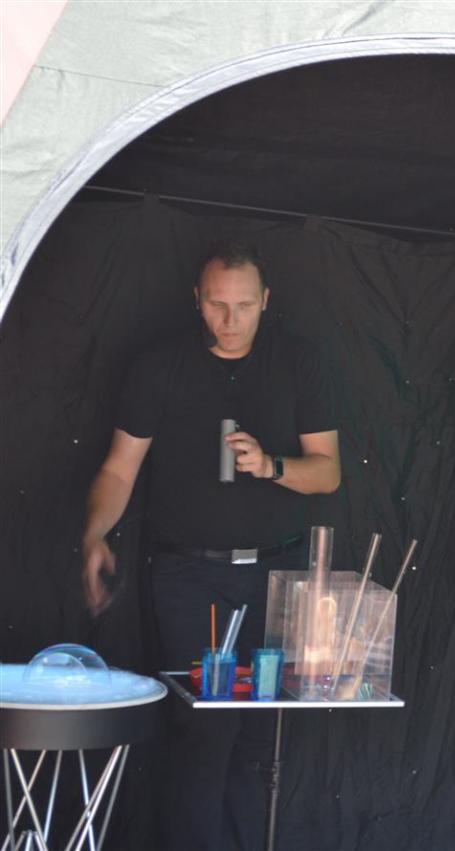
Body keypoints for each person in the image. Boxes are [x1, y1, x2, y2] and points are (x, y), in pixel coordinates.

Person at [80, 240, 340, 851]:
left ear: (266, 301)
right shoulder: (160, 365)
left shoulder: (298, 361)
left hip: (276, 575)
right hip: (188, 576)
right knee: (203, 728)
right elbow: (119, 469)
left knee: (258, 732)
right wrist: (94, 534)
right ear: (197, 300)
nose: (230, 320)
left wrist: (271, 465)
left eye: (243, 306)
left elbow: (327, 472)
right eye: (218, 305)